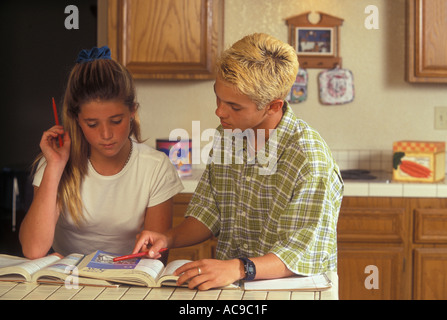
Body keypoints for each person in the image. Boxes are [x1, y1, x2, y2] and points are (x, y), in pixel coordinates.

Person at [133, 33, 344, 290]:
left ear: (273, 106)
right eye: (218, 97)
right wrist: (168, 237)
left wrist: (237, 268)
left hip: (291, 291)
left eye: (234, 106)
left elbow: (300, 254)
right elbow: (209, 212)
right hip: (234, 289)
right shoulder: (227, 135)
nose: (220, 111)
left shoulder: (309, 160)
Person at [19, 46, 184, 259]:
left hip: (126, 283)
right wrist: (56, 167)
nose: (106, 134)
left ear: (132, 111)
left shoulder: (155, 167)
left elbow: (154, 259)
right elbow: (33, 250)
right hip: (66, 283)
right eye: (92, 124)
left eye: (116, 121)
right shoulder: (55, 164)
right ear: (77, 119)